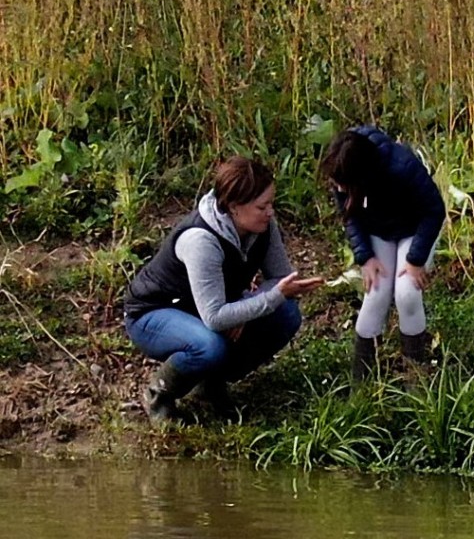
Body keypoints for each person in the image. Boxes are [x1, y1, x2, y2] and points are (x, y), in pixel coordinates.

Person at [124, 155, 324, 423]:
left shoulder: (263, 225)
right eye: (261, 206)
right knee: (210, 345)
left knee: (286, 314)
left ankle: (209, 385)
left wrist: (247, 302)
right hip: (153, 314)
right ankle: (159, 395)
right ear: (234, 207)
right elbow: (216, 317)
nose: (270, 212)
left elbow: (279, 277)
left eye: (271, 203)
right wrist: (264, 299)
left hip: (207, 308)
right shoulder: (201, 241)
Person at [320, 125, 446, 382]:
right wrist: (364, 256)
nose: (337, 188)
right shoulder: (342, 168)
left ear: (362, 177)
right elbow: (350, 216)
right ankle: (362, 383)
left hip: (415, 229)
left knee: (407, 292)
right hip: (378, 231)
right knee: (376, 292)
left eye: (342, 185)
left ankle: (416, 376)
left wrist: (415, 259)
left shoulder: (403, 167)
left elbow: (434, 211)